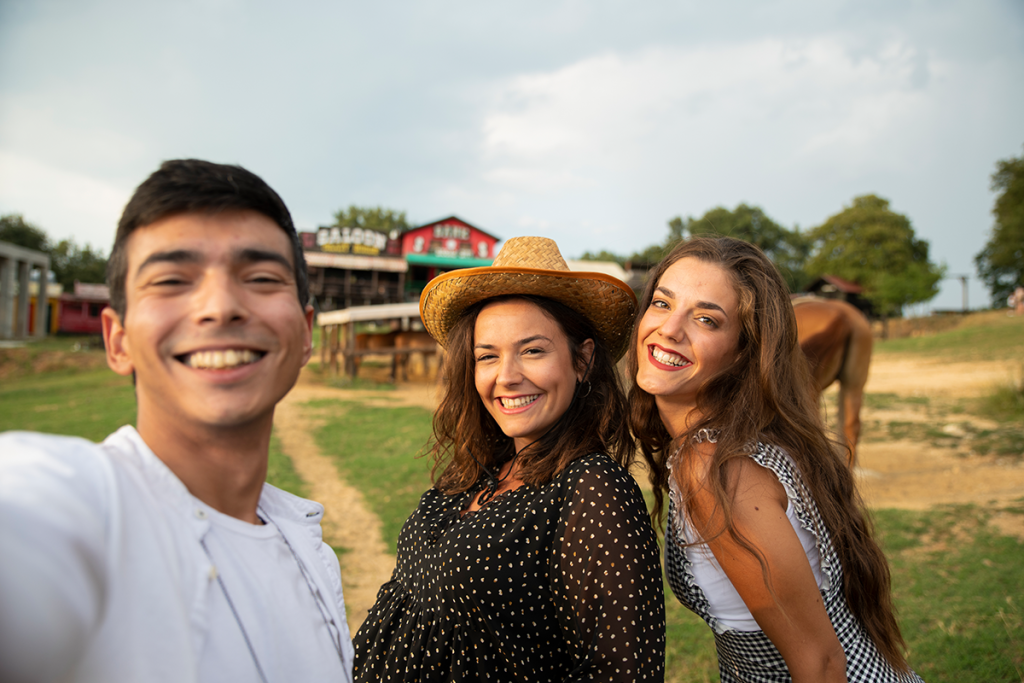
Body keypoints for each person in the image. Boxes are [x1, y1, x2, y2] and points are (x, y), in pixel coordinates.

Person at [0, 159, 354, 683]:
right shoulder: (82, 506)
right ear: (117, 340)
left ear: (305, 334)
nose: (220, 306)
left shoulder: (309, 547)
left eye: (260, 277)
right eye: (171, 280)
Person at [353, 236, 666, 682]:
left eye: (532, 350)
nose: (507, 377)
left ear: (582, 359)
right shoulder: (479, 470)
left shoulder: (591, 489)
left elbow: (621, 674)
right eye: (487, 356)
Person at [628, 236, 923, 683]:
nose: (670, 329)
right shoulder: (743, 437)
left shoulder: (715, 469)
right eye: (662, 303)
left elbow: (822, 665)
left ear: (743, 351)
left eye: (706, 319)